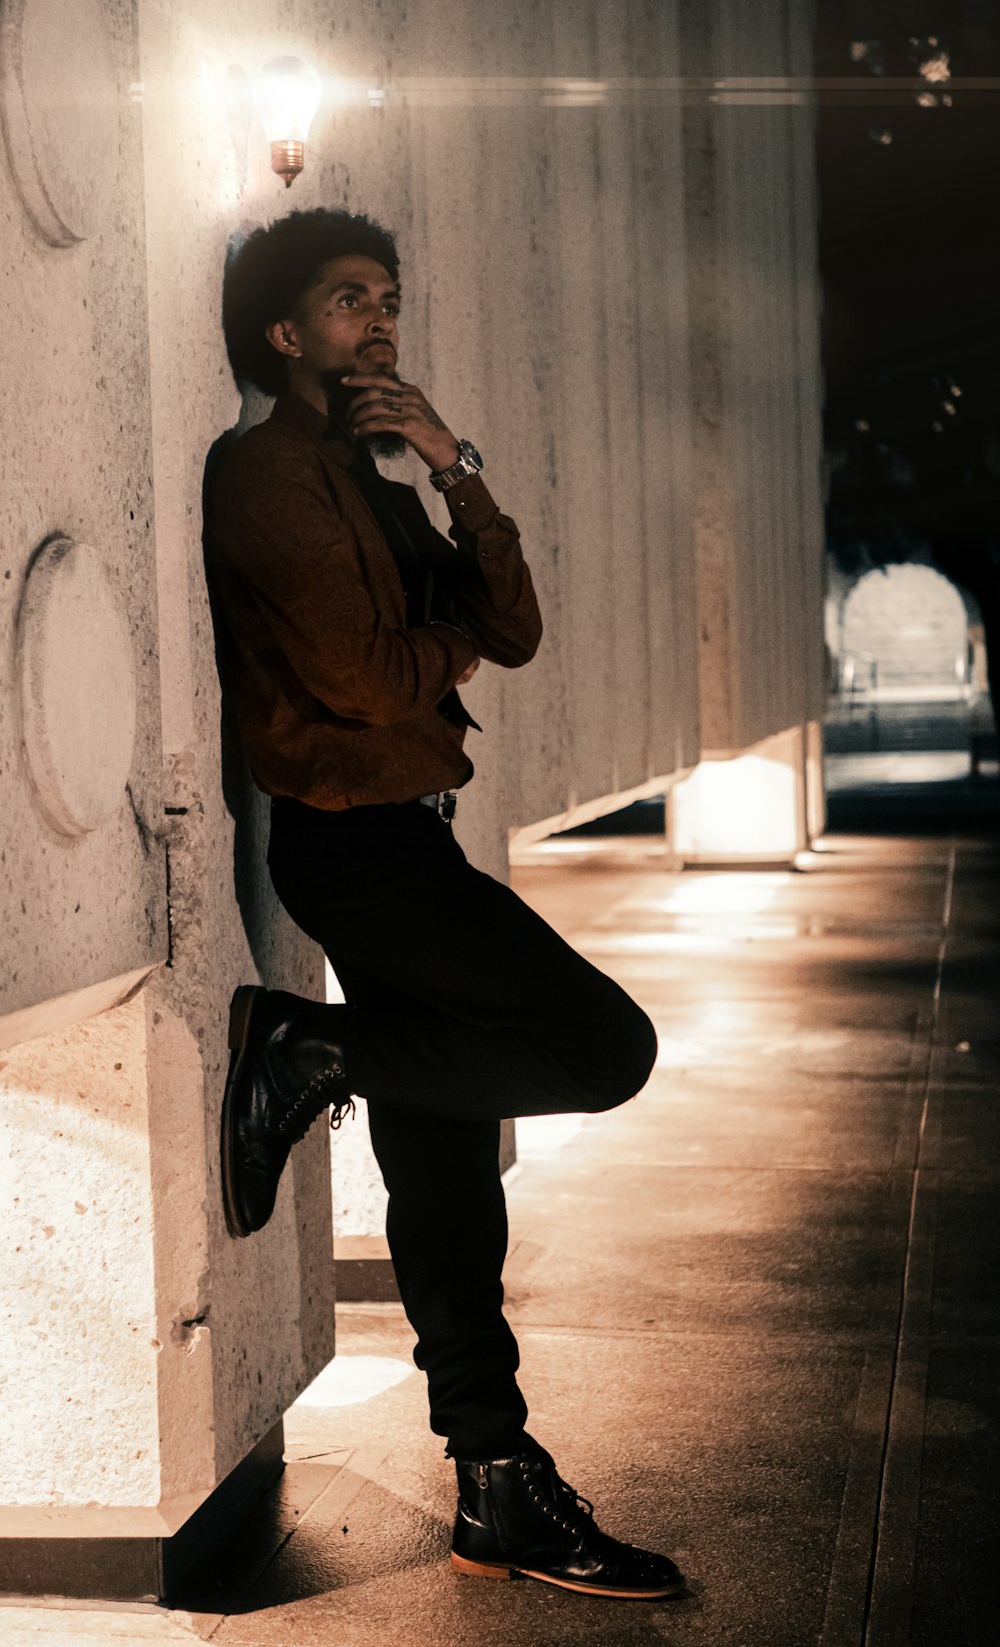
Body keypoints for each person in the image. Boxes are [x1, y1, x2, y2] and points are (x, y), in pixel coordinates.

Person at [206, 207, 686, 1602]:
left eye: (392, 298)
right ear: (286, 333)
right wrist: (452, 639)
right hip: (355, 848)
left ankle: (495, 1478)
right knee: (606, 1047)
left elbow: (513, 627)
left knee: (448, 1185)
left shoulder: (379, 476)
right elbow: (361, 682)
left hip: (407, 835)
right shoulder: (262, 475)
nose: (382, 320)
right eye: (351, 300)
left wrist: (451, 462)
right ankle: (310, 1048)